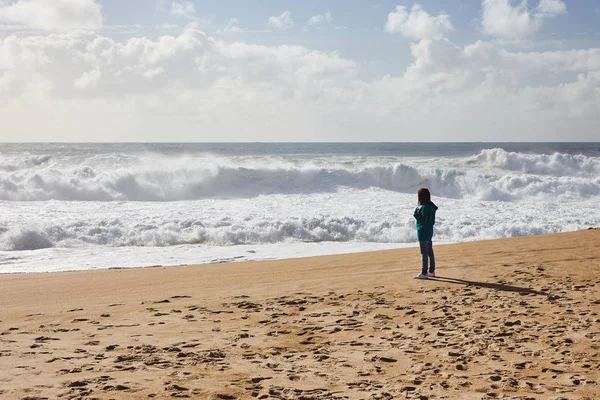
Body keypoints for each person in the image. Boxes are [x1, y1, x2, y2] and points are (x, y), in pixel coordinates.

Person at [413, 188, 438, 279]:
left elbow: (423, 220)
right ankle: (431, 271)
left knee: (424, 252)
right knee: (430, 251)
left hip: (423, 231)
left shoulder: (424, 207)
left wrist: (416, 214)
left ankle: (424, 273)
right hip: (429, 230)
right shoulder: (431, 206)